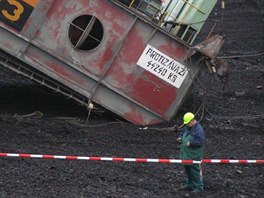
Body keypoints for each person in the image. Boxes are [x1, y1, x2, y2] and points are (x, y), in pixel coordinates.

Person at [177, 112, 205, 193]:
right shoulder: (187, 127)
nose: (187, 124)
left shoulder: (199, 129)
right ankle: (190, 184)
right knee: (187, 170)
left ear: (193, 120)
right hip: (186, 154)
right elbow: (182, 132)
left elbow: (200, 141)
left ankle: (198, 187)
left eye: (188, 123)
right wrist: (180, 137)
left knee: (195, 171)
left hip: (194, 155)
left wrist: (191, 142)